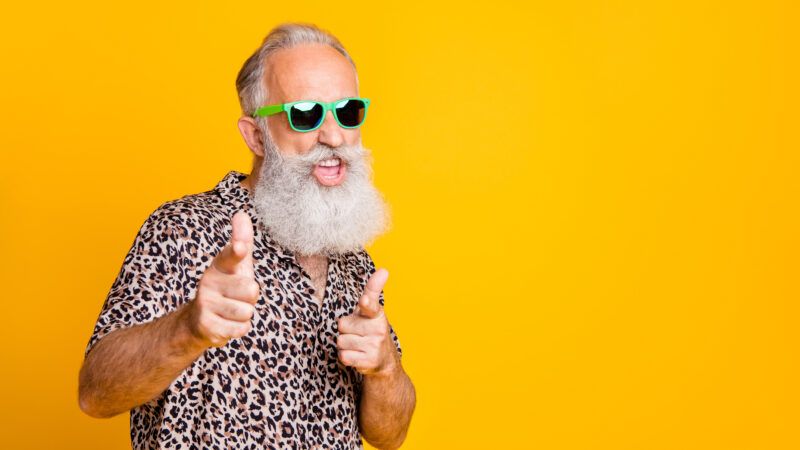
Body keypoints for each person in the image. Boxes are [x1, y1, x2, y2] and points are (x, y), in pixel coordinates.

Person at [78, 23, 416, 449]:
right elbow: (95, 394)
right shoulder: (182, 230)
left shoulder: (353, 259)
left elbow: (390, 436)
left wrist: (385, 367)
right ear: (256, 136)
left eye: (347, 111)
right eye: (305, 114)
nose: (334, 137)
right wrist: (189, 328)